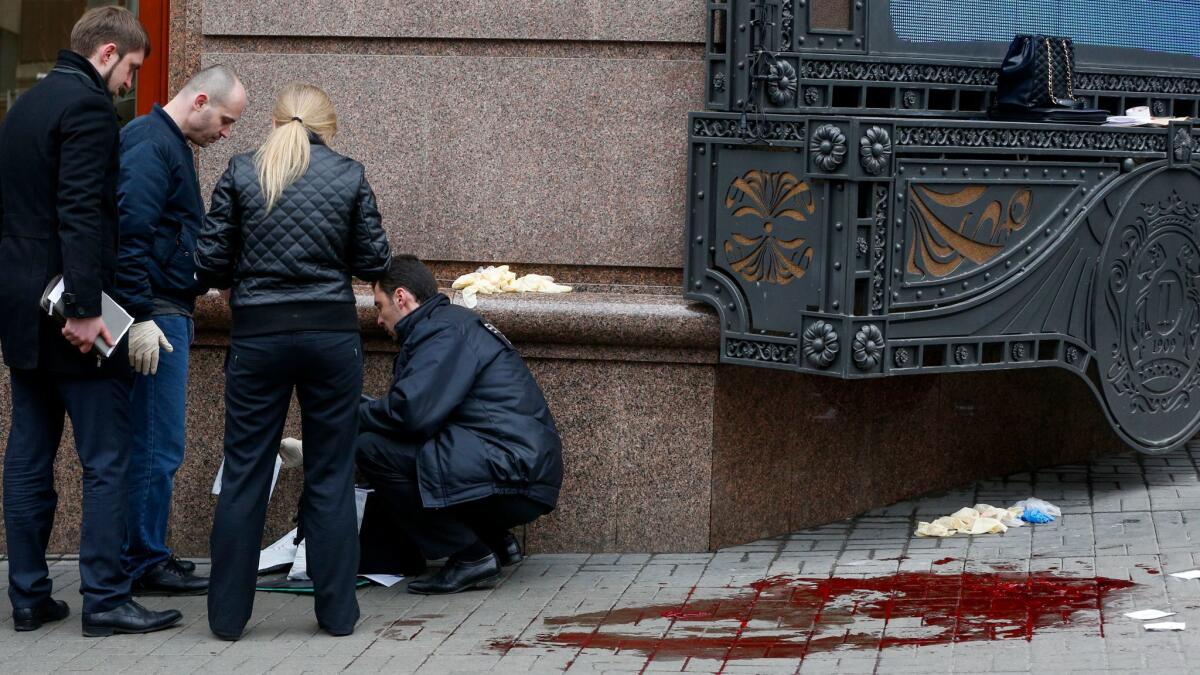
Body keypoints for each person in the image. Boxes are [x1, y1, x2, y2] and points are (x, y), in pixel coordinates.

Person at [0, 7, 182, 636]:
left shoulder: (23, 107)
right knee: (108, 459)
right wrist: (83, 310)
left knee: (29, 454)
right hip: (75, 312)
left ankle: (27, 597)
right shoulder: (86, 109)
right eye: (131, 68)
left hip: (24, 307)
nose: (130, 84)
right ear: (108, 53)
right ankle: (105, 600)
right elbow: (81, 214)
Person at [195, 83, 391, 640]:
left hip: (258, 338)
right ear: (328, 128)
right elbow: (374, 258)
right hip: (330, 337)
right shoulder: (349, 174)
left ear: (276, 122)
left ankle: (228, 620)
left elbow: (209, 262)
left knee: (246, 476)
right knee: (330, 475)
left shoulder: (240, 170)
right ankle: (337, 616)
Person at [356, 254, 564, 594]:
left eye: (379, 306)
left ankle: (471, 557)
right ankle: (496, 542)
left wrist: (350, 415)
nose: (379, 319)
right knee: (420, 453)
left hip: (513, 468)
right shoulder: (447, 325)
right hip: (518, 464)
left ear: (401, 297)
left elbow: (412, 415)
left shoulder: (441, 332)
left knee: (372, 450)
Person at [115, 65, 247, 596]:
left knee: (153, 442)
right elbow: (131, 234)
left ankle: (141, 554)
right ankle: (142, 560)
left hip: (165, 308)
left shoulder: (162, 143)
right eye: (226, 119)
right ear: (199, 100)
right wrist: (142, 314)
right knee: (156, 444)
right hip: (157, 315)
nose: (226, 133)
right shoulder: (152, 145)